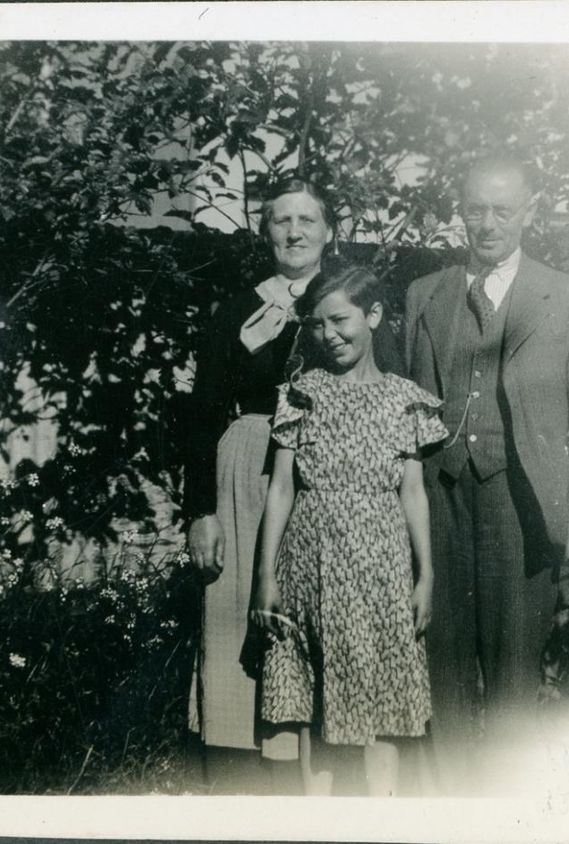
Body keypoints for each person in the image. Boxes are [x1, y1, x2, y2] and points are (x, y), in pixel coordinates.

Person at [403, 154, 569, 791]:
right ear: (460, 213)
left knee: (514, 664)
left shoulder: (564, 294)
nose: (487, 224)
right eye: (475, 210)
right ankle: (449, 809)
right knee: (441, 661)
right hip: (438, 500)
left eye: (502, 210)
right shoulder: (426, 293)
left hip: (521, 502)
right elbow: (408, 407)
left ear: (530, 212)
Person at [251, 265, 447, 796]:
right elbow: (282, 488)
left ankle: (378, 819)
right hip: (312, 560)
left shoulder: (406, 399)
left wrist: (425, 575)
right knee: (317, 696)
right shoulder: (301, 394)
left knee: (384, 695)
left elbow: (413, 493)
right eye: (316, 325)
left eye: (340, 320)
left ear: (374, 315)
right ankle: (319, 822)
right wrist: (266, 575)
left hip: (382, 564)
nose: (328, 335)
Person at [182, 177, 335, 790]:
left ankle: (310, 763)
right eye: (281, 221)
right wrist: (201, 511)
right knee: (235, 608)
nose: (294, 232)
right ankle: (236, 770)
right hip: (246, 470)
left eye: (306, 220)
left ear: (329, 231)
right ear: (265, 231)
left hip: (322, 468)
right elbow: (201, 411)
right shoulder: (236, 310)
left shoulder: (345, 304)